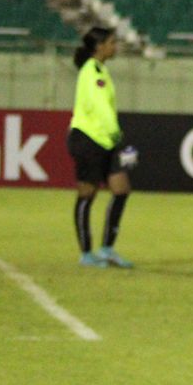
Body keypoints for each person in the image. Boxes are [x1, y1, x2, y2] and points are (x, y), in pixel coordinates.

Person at [67, 27, 136, 269]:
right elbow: (100, 109)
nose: (115, 46)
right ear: (99, 47)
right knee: (87, 195)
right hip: (88, 140)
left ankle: (107, 249)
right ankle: (86, 253)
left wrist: (117, 139)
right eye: (111, 42)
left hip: (106, 139)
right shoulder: (91, 71)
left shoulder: (101, 70)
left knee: (121, 189)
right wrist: (119, 137)